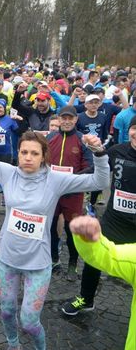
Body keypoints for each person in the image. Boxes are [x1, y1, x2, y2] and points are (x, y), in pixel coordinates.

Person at [0, 111, 109, 350]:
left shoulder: (55, 179)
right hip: (7, 258)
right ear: (18, 153)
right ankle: (13, 344)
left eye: (34, 153)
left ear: (43, 156)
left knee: (30, 322)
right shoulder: (7, 173)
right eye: (24, 152)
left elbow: (100, 182)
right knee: (7, 311)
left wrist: (99, 153)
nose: (28, 157)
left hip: (38, 263)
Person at [62, 115, 136, 317]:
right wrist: (67, 182)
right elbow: (95, 170)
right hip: (114, 222)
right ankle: (86, 299)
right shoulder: (117, 151)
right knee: (94, 258)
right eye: (134, 128)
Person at [69, 215, 136, 350]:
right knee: (91, 269)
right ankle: (86, 299)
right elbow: (110, 256)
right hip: (115, 222)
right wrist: (88, 238)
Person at [46, 106, 93, 280]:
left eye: (70, 118)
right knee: (50, 226)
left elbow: (90, 166)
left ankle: (73, 263)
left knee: (72, 229)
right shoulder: (50, 137)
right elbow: (42, 162)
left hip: (73, 193)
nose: (66, 121)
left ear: (75, 120)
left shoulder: (82, 140)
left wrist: (70, 180)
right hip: (52, 192)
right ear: (59, 119)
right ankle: (54, 259)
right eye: (63, 118)